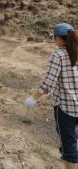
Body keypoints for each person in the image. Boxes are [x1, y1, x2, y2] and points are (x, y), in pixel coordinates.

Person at [25, 23, 78, 168]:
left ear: (60, 39)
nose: (54, 41)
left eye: (55, 38)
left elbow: (48, 82)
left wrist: (32, 99)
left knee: (69, 148)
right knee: (70, 138)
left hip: (66, 108)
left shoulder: (59, 54)